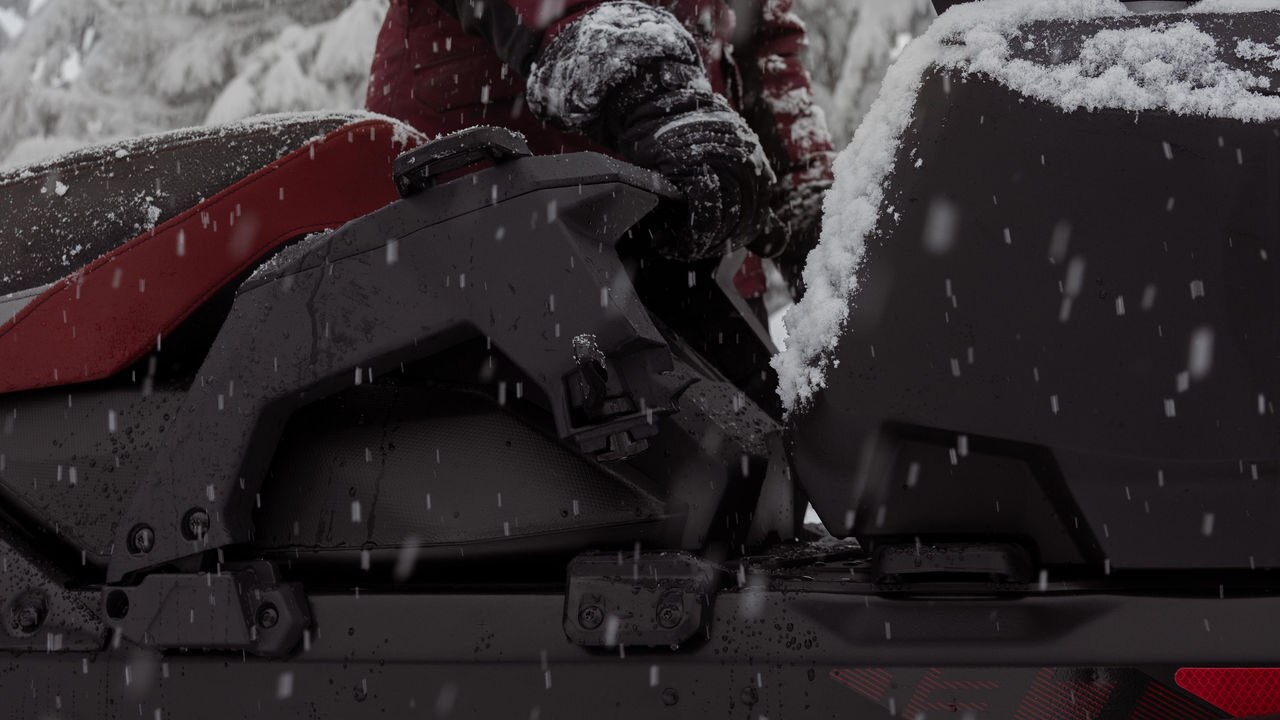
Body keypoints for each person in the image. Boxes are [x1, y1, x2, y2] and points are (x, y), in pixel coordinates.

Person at [366, 0, 833, 298]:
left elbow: (758, 36)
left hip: (693, 225)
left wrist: (801, 188)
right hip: (501, 227)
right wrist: (646, 82)